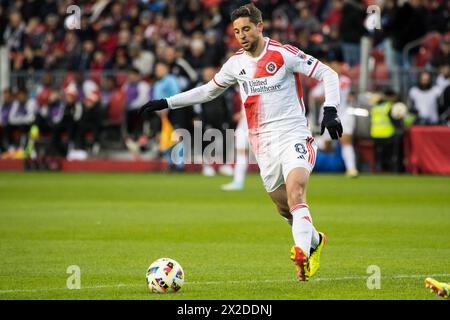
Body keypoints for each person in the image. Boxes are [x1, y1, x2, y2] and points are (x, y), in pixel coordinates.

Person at [138, 4, 342, 282]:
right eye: (236, 31)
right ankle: (315, 239)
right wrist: (167, 102)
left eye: (246, 28)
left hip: (293, 135)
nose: (242, 35)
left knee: (296, 193)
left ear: (260, 26)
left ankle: (302, 253)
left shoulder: (283, 54)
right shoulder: (236, 63)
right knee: (284, 208)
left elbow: (328, 74)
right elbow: (209, 91)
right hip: (264, 144)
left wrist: (331, 110)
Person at [311, 59, 358, 178]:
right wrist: (327, 97)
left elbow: (347, 93)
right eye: (332, 65)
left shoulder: (345, 80)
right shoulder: (324, 82)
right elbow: (315, 96)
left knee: (346, 140)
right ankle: (308, 165)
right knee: (326, 146)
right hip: (328, 115)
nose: (335, 67)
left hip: (344, 114)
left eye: (337, 65)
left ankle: (351, 169)